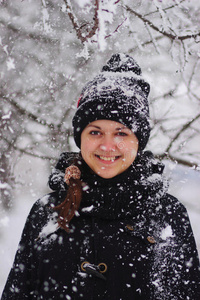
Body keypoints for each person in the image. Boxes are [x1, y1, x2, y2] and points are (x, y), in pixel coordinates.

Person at [1, 53, 200, 300]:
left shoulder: (168, 214)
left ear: (138, 141)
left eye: (121, 133)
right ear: (80, 138)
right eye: (95, 132)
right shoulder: (47, 211)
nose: (107, 146)